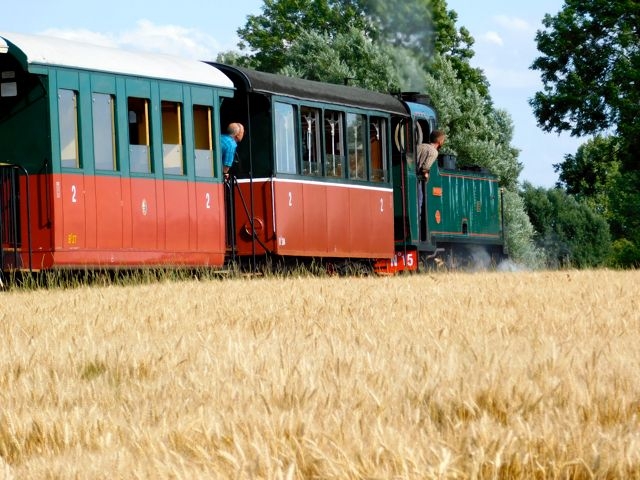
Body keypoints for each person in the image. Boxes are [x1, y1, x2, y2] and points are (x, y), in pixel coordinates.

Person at [416, 130, 446, 230]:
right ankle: (418, 227)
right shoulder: (434, 152)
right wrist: (427, 177)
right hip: (417, 180)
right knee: (419, 202)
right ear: (440, 141)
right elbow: (425, 168)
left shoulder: (420, 146)